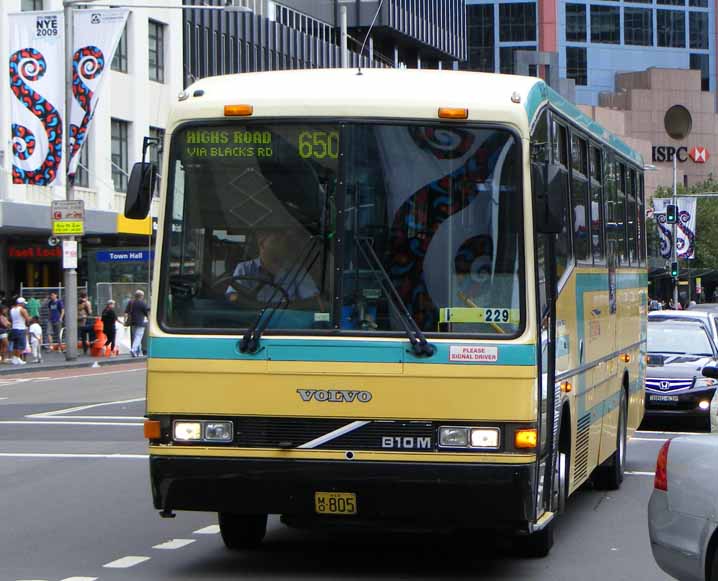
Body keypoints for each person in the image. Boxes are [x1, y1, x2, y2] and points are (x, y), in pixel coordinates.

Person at [225, 229, 320, 305]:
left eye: (284, 241)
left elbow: (312, 298)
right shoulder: (244, 268)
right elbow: (233, 297)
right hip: (253, 321)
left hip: (288, 323)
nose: (282, 245)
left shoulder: (296, 270)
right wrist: (249, 304)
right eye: (277, 241)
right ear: (261, 243)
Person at [125, 290, 149, 357]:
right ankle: (133, 349)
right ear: (141, 296)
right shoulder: (142, 303)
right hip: (140, 322)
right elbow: (147, 313)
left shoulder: (131, 302)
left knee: (135, 336)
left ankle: (136, 352)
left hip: (132, 322)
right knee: (138, 336)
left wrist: (125, 321)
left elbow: (126, 312)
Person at [9, 297, 30, 365]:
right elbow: (27, 319)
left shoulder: (12, 310)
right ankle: (18, 358)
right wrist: (30, 319)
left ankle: (15, 358)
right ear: (21, 303)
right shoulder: (22, 310)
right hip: (21, 328)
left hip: (14, 328)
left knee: (15, 344)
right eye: (24, 303)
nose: (24, 305)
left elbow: (11, 319)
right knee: (21, 345)